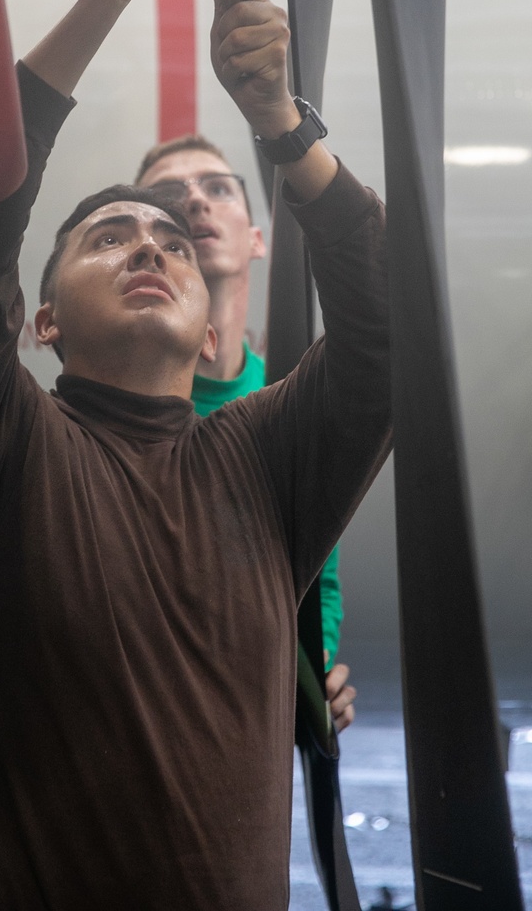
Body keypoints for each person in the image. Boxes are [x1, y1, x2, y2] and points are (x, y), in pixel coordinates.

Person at [0, 0, 391, 910]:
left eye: (174, 239)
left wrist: (279, 120)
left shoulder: (262, 469)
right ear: (43, 323)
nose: (153, 245)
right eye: (109, 235)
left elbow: (390, 320)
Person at [135, 134, 357, 733]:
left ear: (258, 240)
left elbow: (316, 581)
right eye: (167, 194)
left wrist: (308, 673)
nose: (195, 201)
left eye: (217, 188)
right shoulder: (113, 397)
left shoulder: (292, 400)